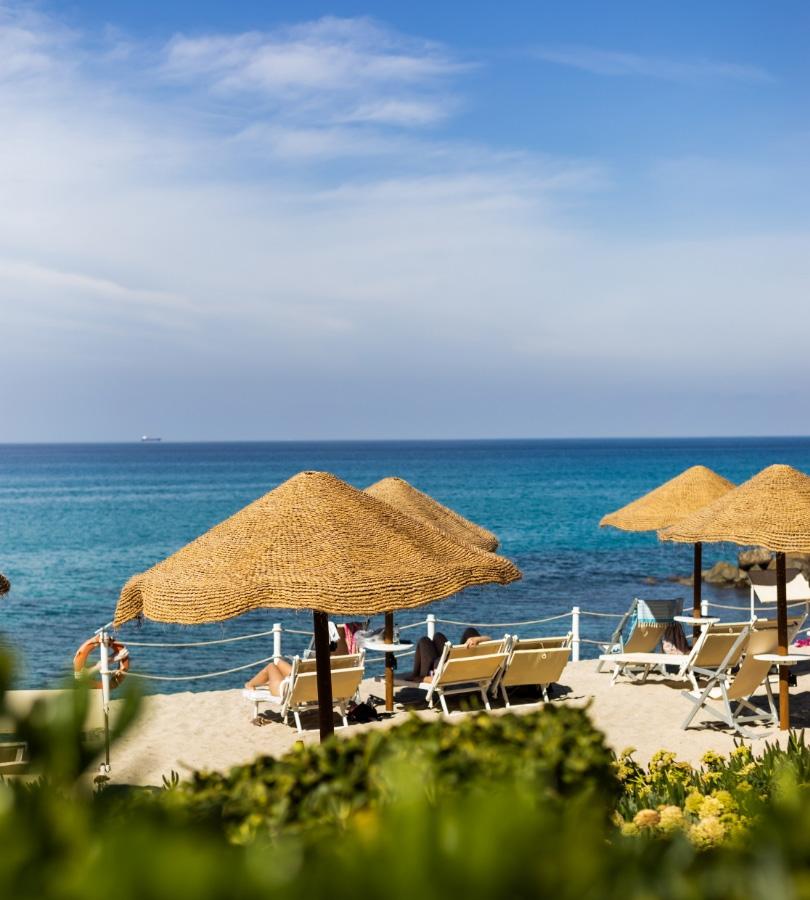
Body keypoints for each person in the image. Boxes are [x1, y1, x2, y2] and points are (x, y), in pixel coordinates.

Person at [245, 621, 349, 691]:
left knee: (271, 666)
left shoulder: (321, 663)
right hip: (310, 685)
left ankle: (249, 685)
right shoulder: (339, 663)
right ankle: (251, 684)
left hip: (294, 689)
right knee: (279, 663)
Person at [405, 627, 491, 683]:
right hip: (453, 664)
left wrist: (421, 679)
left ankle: (415, 674)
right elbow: (489, 639)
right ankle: (415, 674)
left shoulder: (459, 670)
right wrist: (477, 639)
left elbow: (436, 679)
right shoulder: (476, 664)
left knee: (424, 641)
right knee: (438, 636)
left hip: (440, 672)